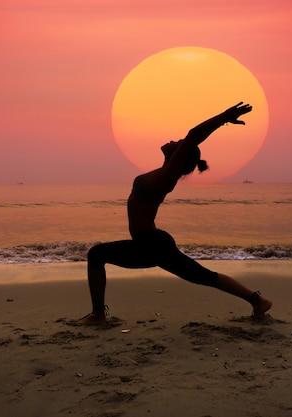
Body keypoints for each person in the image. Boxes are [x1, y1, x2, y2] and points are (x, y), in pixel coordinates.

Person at [78, 102, 272, 325]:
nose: (174, 141)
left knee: (96, 254)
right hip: (152, 242)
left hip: (150, 244)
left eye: (178, 144)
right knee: (203, 277)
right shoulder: (162, 174)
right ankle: (258, 301)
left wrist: (225, 117)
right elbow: (188, 141)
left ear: (181, 157)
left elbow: (193, 135)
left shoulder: (168, 176)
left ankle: (98, 315)